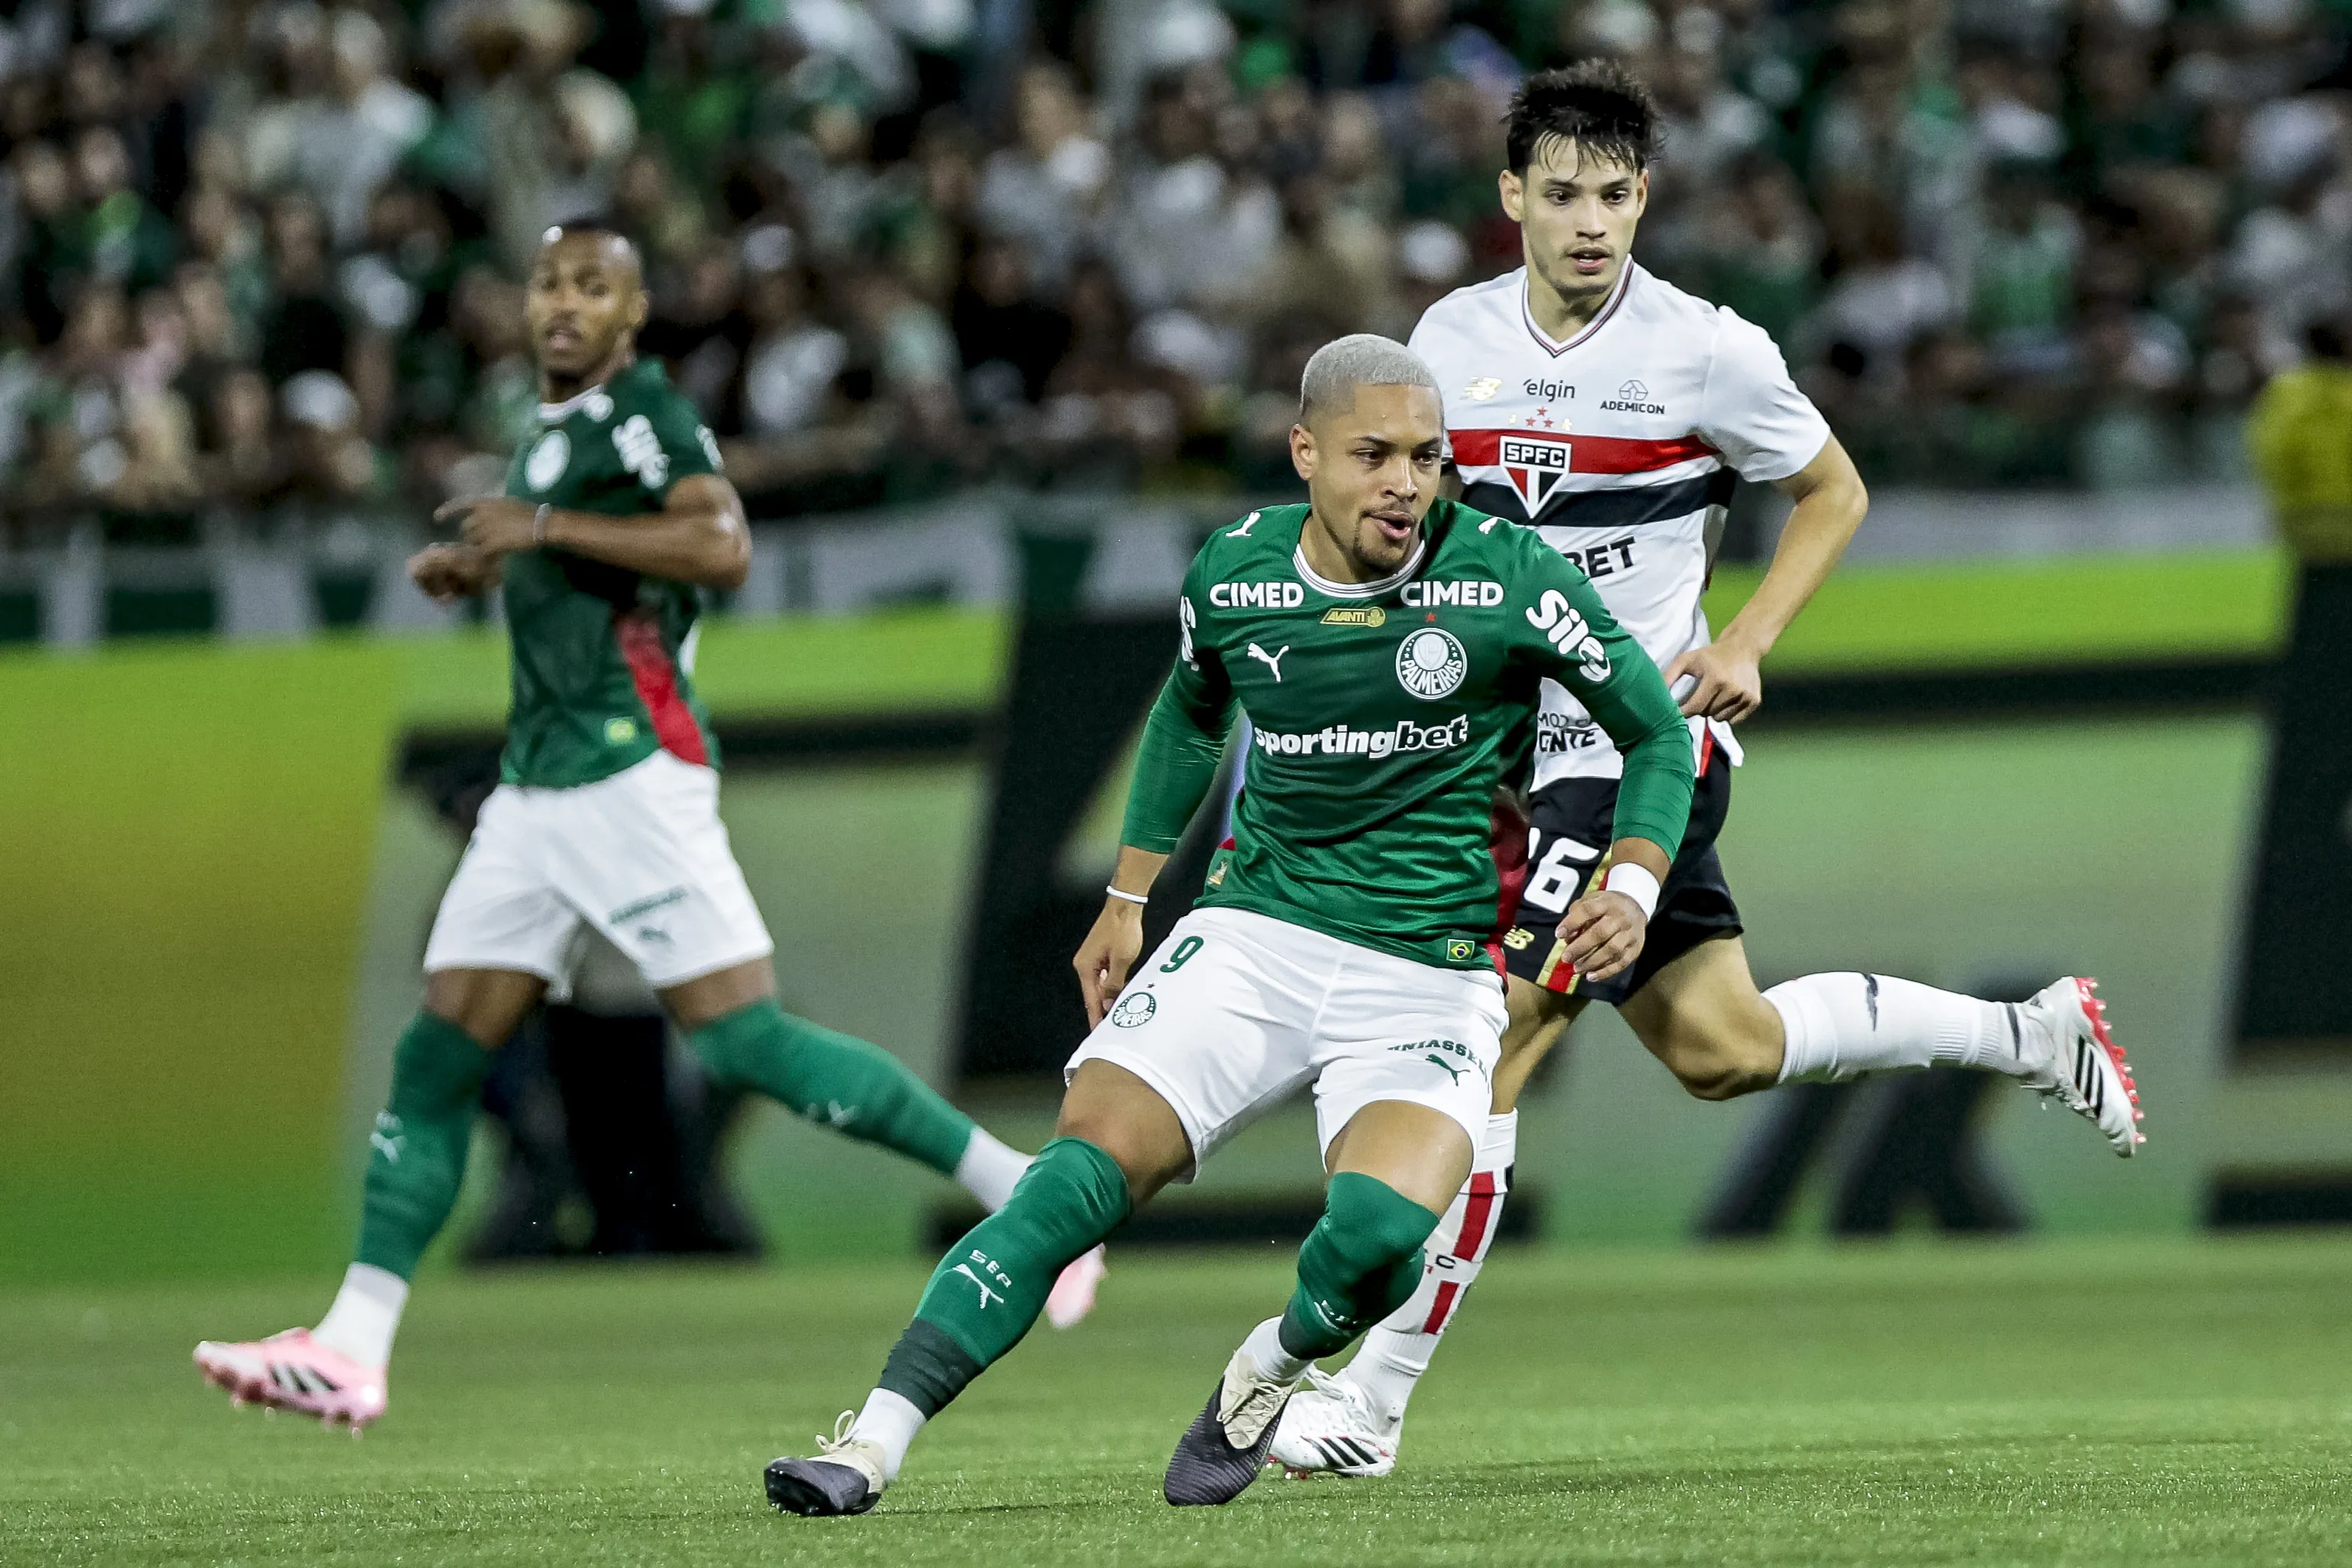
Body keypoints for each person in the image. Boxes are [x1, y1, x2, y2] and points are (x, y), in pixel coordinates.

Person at [1270, 62, 2141, 1481]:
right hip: (1497, 751)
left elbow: (1833, 490)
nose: (1590, 221)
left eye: (1614, 194)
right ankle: (2029, 1035)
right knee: (1720, 1047)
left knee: (1489, 1038)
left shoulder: (1705, 350)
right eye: (1561, 193)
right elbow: (1422, 528)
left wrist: (1744, 637)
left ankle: (1369, 1404)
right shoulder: (1447, 338)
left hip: (1636, 746)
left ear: (1643, 197)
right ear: (1511, 199)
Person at [758, 333, 1696, 1518]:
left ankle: (1266, 1370)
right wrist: (1125, 894)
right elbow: (1191, 709)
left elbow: (1656, 730)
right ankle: (869, 1444)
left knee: (1372, 1244)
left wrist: (1635, 880)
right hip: (1251, 939)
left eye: (1426, 457)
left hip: (1429, 968)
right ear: (1304, 452)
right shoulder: (1239, 573)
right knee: (1067, 1185)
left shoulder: (1506, 574)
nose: (1405, 483)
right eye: (1372, 455)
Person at [192, 221, 1098, 1432]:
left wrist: (545, 534)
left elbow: (720, 545)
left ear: (633, 314)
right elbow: (593, 569)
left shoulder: (642, 414)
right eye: (550, 281)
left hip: (628, 777)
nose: (564, 304)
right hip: (537, 789)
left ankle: (1021, 1192)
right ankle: (354, 1344)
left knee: (745, 1043)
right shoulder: (553, 432)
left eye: (594, 287)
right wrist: (497, 567)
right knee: (440, 1050)